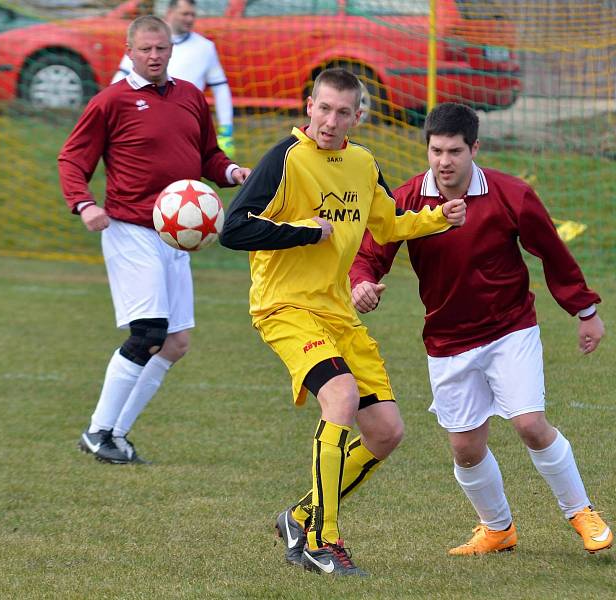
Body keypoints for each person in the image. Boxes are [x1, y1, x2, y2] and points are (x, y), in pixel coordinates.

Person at [219, 68, 466, 576]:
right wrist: (303, 232)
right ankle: (321, 539)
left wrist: (439, 217)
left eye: (342, 112)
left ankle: (300, 515)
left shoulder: (361, 163)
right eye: (323, 108)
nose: (330, 121)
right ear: (309, 106)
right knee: (341, 397)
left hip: (336, 312)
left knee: (387, 431)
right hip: (284, 307)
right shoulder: (285, 160)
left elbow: (389, 223)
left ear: (358, 116)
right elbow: (235, 229)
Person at [349, 102, 614, 556]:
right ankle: (497, 529)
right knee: (466, 449)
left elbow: (551, 252)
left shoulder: (511, 194)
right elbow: (370, 253)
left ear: (475, 148)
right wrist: (362, 283)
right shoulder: (408, 198)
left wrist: (584, 311)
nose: (444, 161)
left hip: (510, 328)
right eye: (435, 151)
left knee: (530, 424)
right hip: (447, 340)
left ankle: (581, 511)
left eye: (454, 151)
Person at [58, 15, 251, 465]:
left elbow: (208, 156)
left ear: (170, 50)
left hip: (176, 237)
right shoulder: (111, 101)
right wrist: (84, 204)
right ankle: (98, 430)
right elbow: (72, 158)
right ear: (129, 51)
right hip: (129, 229)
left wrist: (231, 172)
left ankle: (115, 436)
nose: (154, 56)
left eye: (161, 48)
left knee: (175, 342)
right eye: (145, 49)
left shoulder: (189, 96)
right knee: (148, 332)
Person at [112, 0, 237, 156]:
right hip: (143, 119)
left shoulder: (205, 47)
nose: (190, 19)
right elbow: (121, 76)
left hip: (186, 124)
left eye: (193, 15)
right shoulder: (145, 42)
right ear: (170, 12)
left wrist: (226, 130)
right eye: (185, 14)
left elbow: (220, 87)